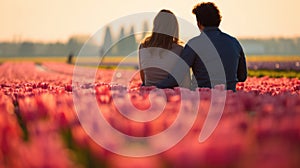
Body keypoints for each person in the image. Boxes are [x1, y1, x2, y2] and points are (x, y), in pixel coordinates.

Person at [157, 2, 247, 91]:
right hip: (230, 97)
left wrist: (153, 87)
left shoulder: (194, 44)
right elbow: (242, 77)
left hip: (203, 98)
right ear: (218, 20)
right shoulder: (234, 42)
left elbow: (177, 76)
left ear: (199, 23)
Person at [139, 9, 190, 88]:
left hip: (148, 90)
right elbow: (183, 80)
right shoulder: (179, 49)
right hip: (172, 92)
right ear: (174, 27)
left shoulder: (143, 46)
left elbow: (143, 78)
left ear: (155, 25)